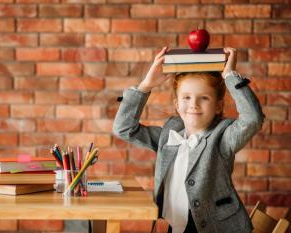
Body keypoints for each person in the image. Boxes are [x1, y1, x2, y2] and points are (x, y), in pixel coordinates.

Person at [113, 47, 264, 233]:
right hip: (174, 225)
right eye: (186, 97)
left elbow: (253, 119)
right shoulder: (169, 134)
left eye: (204, 98)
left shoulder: (223, 137)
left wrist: (231, 76)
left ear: (218, 106)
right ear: (177, 105)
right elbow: (123, 128)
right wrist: (146, 85)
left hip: (214, 228)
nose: (193, 104)